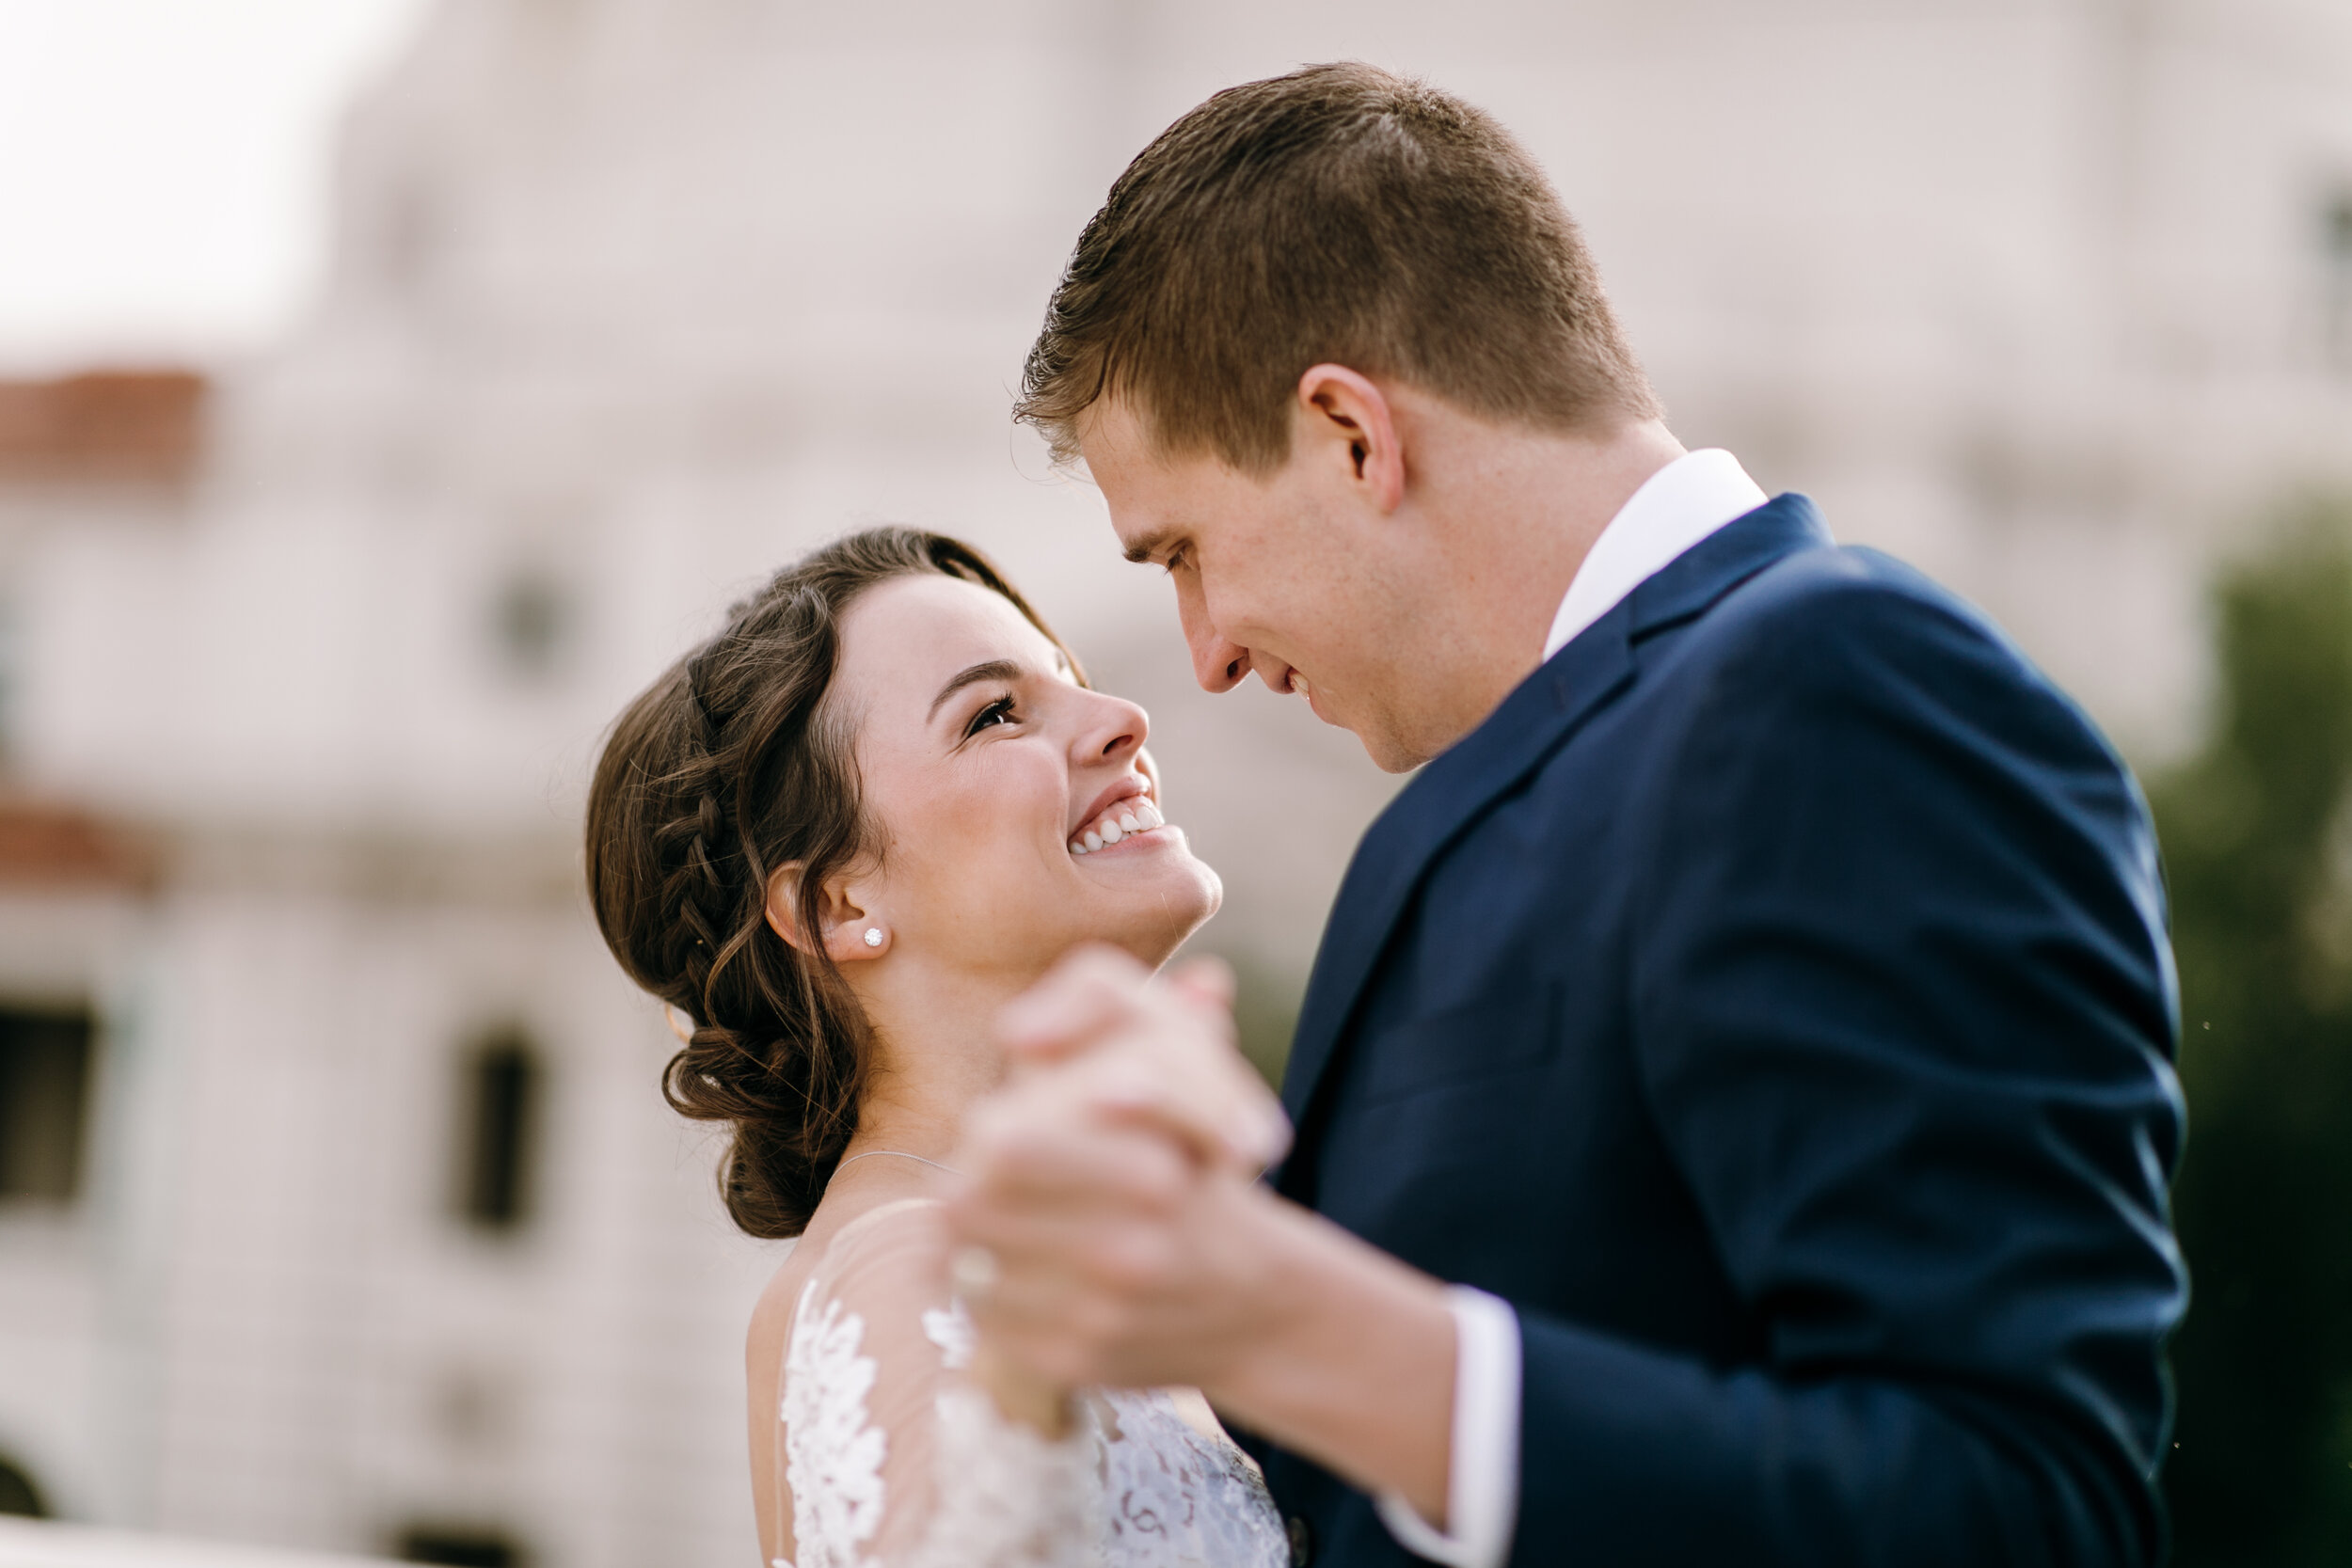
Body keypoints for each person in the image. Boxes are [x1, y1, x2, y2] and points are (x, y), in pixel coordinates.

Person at [941, 62, 2190, 1568]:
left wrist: (1306, 1325)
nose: (1203, 650)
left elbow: (2015, 1503)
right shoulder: (1497, 780)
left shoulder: (1837, 689)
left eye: (1187, 549)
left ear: (1350, 432)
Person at [583, 529, 1296, 1567]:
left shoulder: (1063, 1248)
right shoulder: (899, 1261)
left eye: (1075, 680)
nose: (1123, 718)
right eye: (995, 714)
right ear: (838, 901)